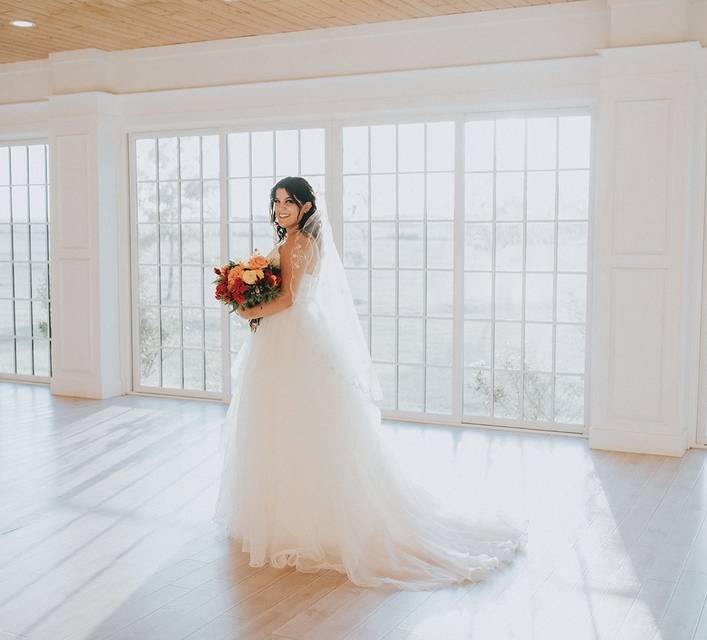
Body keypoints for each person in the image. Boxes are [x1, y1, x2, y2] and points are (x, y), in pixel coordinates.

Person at [212, 176, 525, 590]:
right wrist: (248, 294)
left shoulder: (298, 243)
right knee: (279, 424)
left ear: (307, 207)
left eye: (290, 202)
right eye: (277, 201)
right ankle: (283, 514)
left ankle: (303, 522)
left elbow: (287, 297)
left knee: (291, 423)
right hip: (285, 336)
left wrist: (247, 310)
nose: (282, 208)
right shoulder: (297, 242)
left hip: (290, 336)